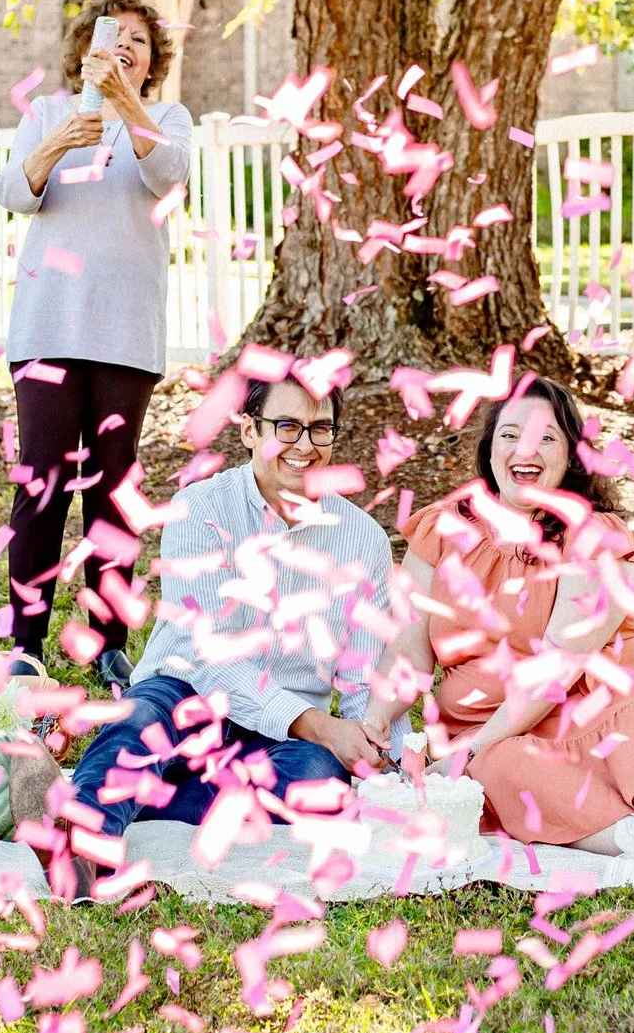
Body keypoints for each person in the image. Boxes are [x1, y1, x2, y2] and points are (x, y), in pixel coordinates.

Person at [33, 374, 403, 896]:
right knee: (142, 719)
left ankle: (124, 795)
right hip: (189, 695)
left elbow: (365, 680)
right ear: (250, 431)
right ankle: (84, 846)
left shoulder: (363, 540)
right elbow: (211, 656)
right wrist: (320, 725)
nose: (304, 446)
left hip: (283, 736)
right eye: (287, 426)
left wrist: (393, 753)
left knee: (320, 786)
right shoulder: (201, 509)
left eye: (320, 430)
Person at [390, 377, 634, 854]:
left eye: (546, 438)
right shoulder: (442, 526)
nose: (526, 450)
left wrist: (469, 751)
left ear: (571, 457)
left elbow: (557, 667)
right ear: (490, 448)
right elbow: (407, 649)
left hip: (603, 706)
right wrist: (373, 725)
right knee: (499, 767)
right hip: (489, 730)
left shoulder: (596, 539)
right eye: (511, 434)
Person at [0, 0, 194, 686]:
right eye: (114, 35)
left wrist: (127, 106)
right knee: (43, 481)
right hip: (48, 324)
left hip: (124, 331)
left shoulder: (167, 117)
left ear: (150, 60)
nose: (126, 46)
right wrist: (59, 140)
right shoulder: (49, 113)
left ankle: (109, 639)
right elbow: (14, 194)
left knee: (111, 487)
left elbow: (169, 175)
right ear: (88, 49)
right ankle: (25, 641)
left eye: (140, 39)